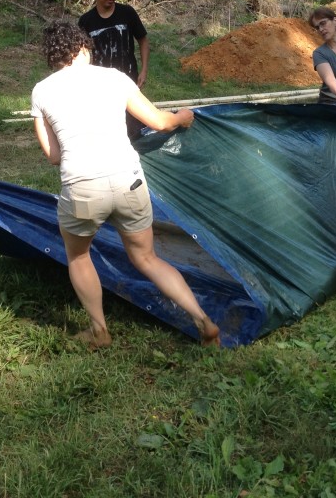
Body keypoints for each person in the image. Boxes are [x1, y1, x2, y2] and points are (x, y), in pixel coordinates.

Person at [30, 21, 220, 349]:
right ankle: (203, 321)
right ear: (83, 48)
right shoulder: (115, 78)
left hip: (83, 187)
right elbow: (160, 122)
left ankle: (99, 331)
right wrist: (182, 117)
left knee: (78, 257)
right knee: (147, 258)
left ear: (53, 56)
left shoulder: (42, 91)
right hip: (127, 181)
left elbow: (52, 155)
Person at [78, 0, 150, 139]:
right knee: (105, 132)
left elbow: (143, 40)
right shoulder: (86, 21)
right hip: (100, 87)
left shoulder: (127, 14)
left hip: (129, 83)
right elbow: (80, 53)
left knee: (133, 131)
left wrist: (144, 70)